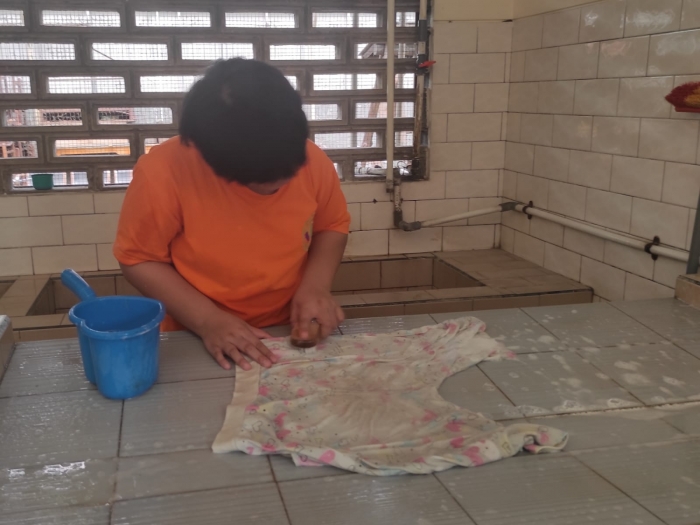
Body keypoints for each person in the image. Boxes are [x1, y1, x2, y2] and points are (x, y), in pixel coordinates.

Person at [113, 59, 350, 371]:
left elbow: (331, 226)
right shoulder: (163, 173)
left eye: (289, 173)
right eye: (257, 181)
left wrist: (316, 286)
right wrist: (208, 320)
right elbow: (138, 259)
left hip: (286, 326)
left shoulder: (313, 161)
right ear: (209, 157)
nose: (278, 188)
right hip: (194, 332)